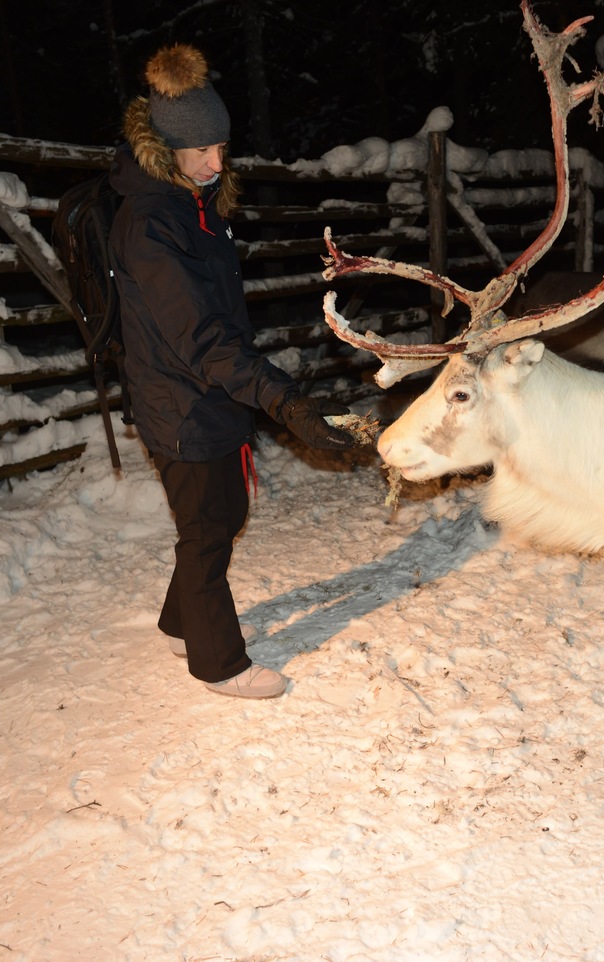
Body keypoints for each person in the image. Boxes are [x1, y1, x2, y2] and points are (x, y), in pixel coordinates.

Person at [108, 42, 355, 699]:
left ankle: (176, 622)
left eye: (221, 148)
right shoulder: (153, 225)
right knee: (208, 529)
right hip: (181, 402)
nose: (216, 164)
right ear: (163, 147)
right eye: (200, 152)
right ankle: (218, 664)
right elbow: (204, 339)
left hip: (202, 394)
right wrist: (286, 402)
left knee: (217, 516)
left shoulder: (191, 205)